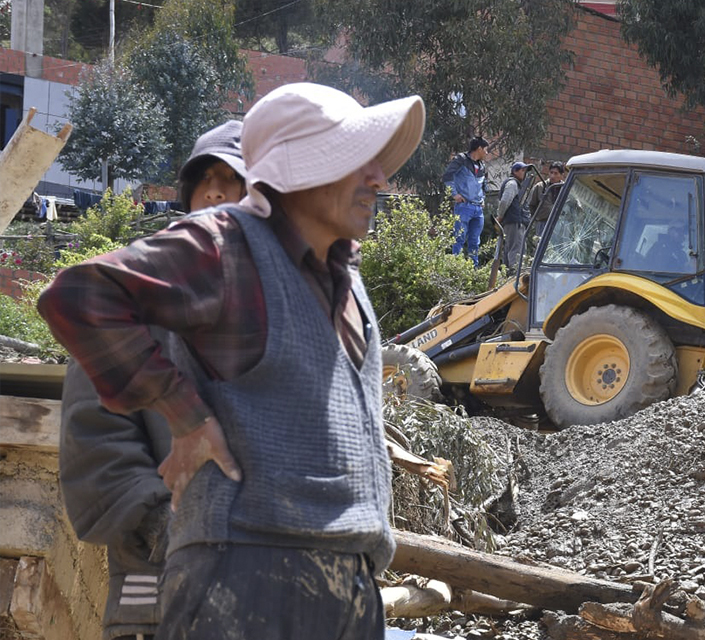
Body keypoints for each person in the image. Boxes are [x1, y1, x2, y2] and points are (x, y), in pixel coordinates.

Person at [38, 82, 430, 639]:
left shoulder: (345, 280)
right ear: (299, 169)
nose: (379, 179)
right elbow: (78, 297)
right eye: (356, 161)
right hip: (249, 574)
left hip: (350, 582)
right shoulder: (226, 247)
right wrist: (184, 416)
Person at [58, 120, 247, 640]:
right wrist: (162, 522)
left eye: (232, 179)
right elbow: (92, 433)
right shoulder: (133, 292)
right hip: (156, 591)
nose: (215, 191)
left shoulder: (284, 302)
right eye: (203, 178)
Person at [443, 136, 489, 266]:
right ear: (479, 148)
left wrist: (483, 198)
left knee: (475, 241)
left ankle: (473, 270)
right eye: (485, 149)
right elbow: (447, 176)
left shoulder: (481, 165)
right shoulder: (461, 160)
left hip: (478, 208)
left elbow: (484, 184)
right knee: (459, 238)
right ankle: (455, 268)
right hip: (464, 206)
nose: (487, 153)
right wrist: (454, 194)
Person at [497, 161, 531, 268]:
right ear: (515, 171)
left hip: (512, 222)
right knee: (516, 252)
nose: (524, 173)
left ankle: (507, 275)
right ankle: (513, 276)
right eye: (522, 170)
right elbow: (504, 201)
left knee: (510, 250)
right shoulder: (512, 184)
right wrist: (500, 216)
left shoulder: (515, 184)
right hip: (515, 222)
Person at [528, 160, 566, 237]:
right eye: (551, 172)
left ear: (562, 175)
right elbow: (531, 205)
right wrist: (537, 218)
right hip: (542, 223)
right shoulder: (540, 187)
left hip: (559, 224)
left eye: (556, 173)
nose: (552, 176)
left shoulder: (565, 188)